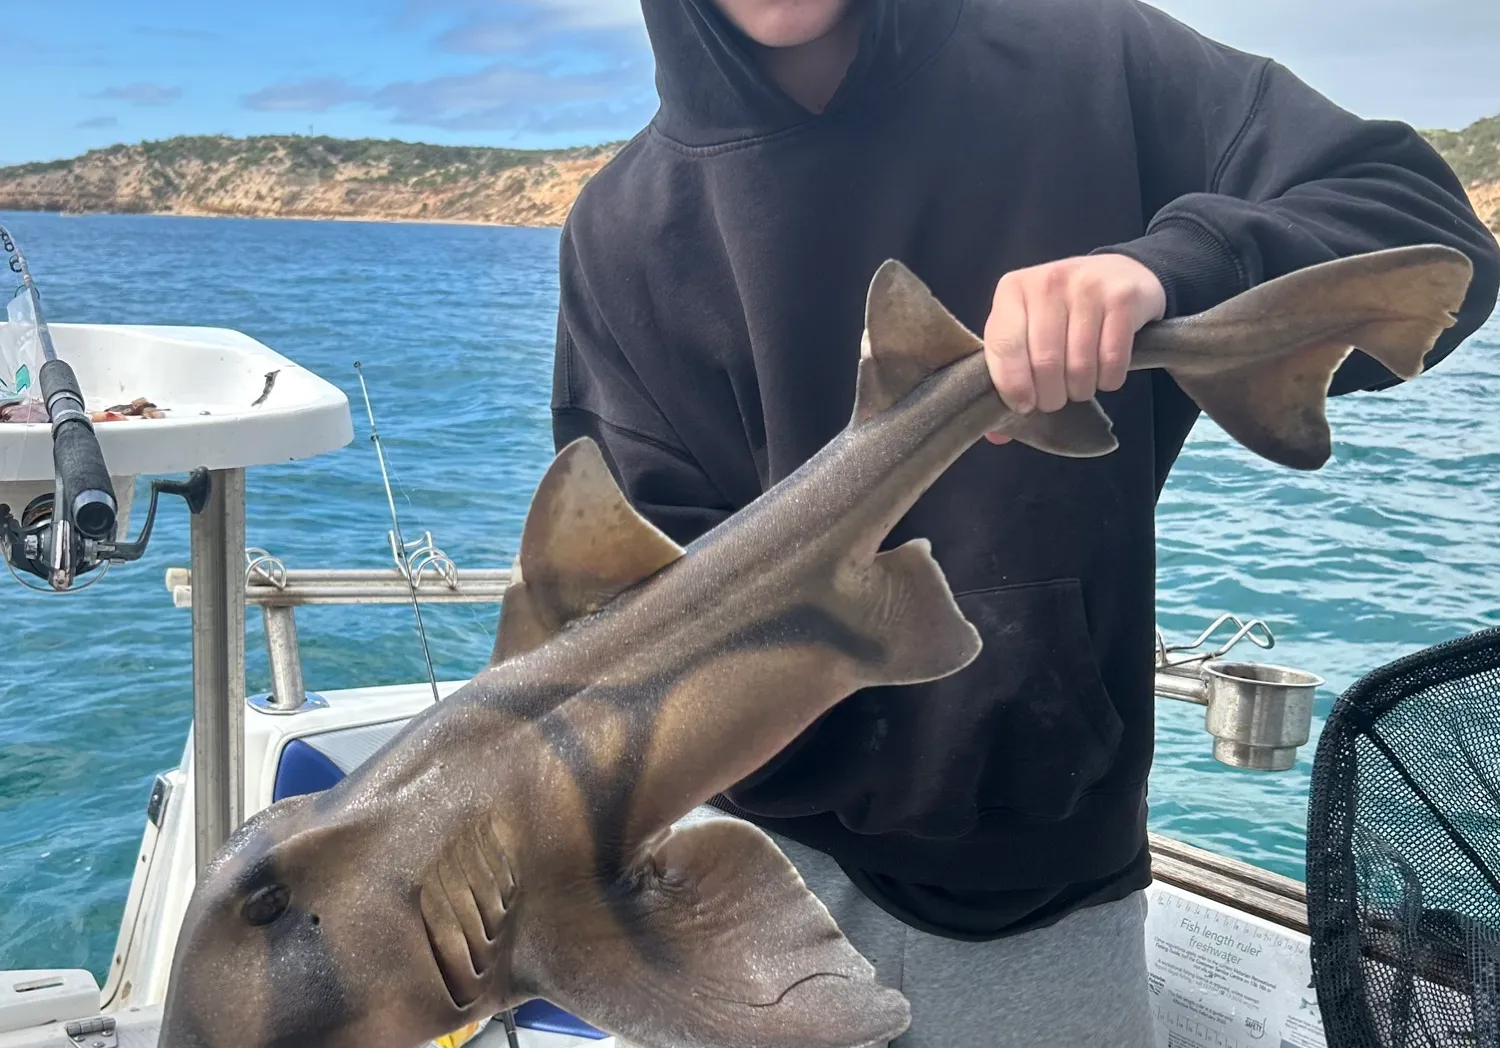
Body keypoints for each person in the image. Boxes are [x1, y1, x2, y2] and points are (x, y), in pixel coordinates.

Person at [548, 0, 1500, 1044]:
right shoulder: (620, 229)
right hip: (747, 883)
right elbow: (632, 619)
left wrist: (1172, 268)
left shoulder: (1090, 54)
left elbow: (1427, 233)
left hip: (1049, 883)